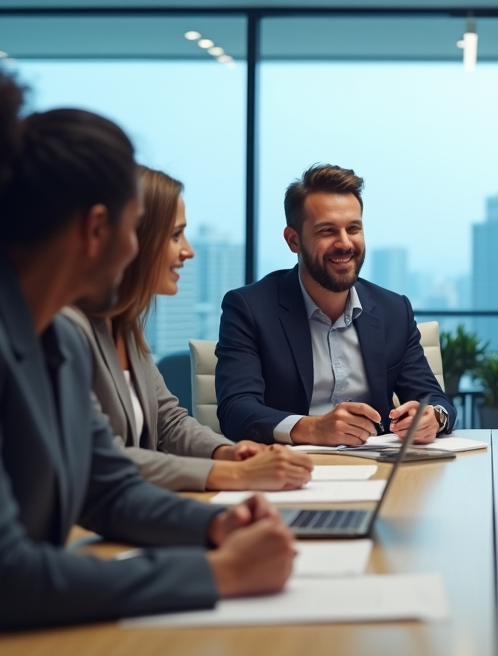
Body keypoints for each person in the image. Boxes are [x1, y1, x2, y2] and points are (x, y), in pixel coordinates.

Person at [0, 71, 294, 631]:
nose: (135, 251)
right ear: (96, 230)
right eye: (135, 229)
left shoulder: (55, 341)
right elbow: (0, 574)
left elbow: (108, 489)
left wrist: (212, 529)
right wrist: (219, 575)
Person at [64, 167, 313, 492]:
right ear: (132, 238)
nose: (188, 251)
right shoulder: (69, 331)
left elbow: (167, 421)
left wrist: (228, 453)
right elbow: (100, 459)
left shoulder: (126, 326)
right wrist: (234, 475)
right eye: (175, 235)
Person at [216, 163, 457, 446]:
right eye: (327, 231)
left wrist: (433, 417)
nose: (345, 243)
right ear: (293, 240)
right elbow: (236, 410)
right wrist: (313, 429)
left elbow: (435, 399)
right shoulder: (249, 308)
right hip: (290, 469)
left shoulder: (393, 310)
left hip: (379, 467)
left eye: (353, 228)